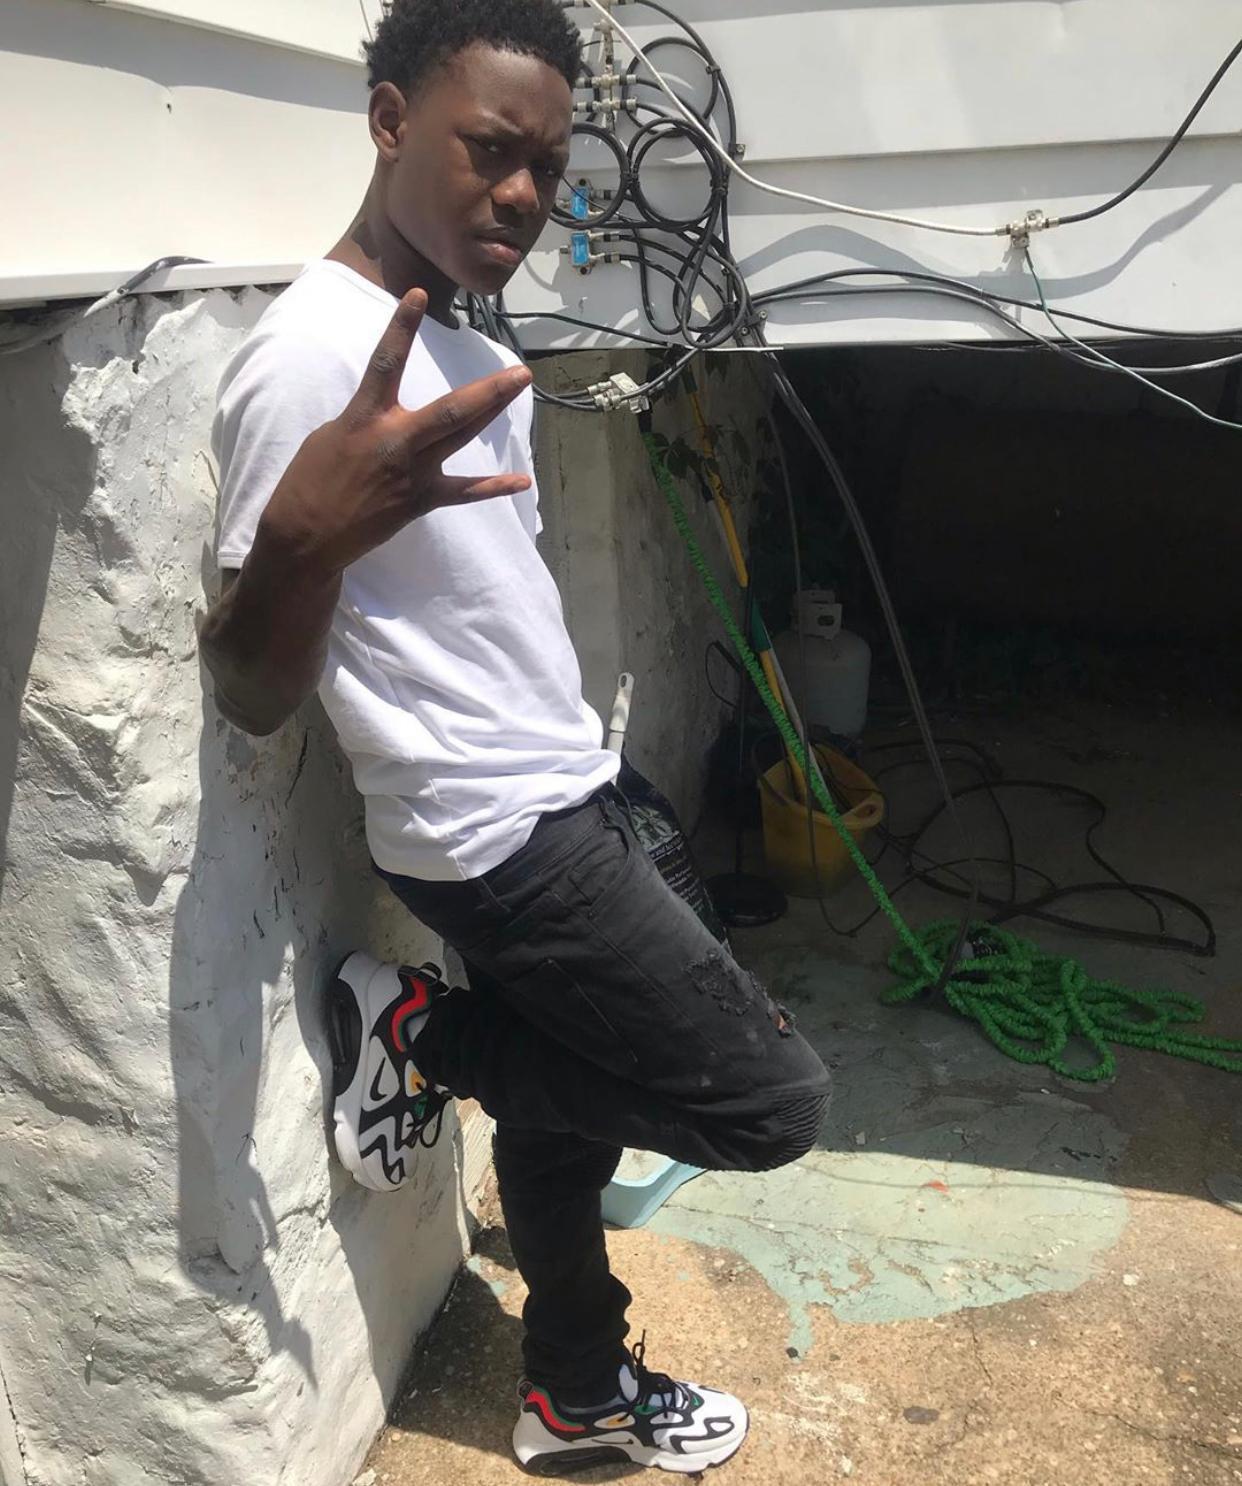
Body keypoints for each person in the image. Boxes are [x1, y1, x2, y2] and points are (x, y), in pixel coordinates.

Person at [200, 0, 831, 1473]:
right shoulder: (310, 358)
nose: (525, 195)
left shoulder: (460, 339)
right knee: (769, 1103)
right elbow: (251, 690)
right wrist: (298, 542)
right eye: (490, 150)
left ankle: (573, 1391)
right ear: (388, 122)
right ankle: (420, 1035)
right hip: (496, 838)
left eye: (549, 166)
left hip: (570, 782)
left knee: (565, 1124)